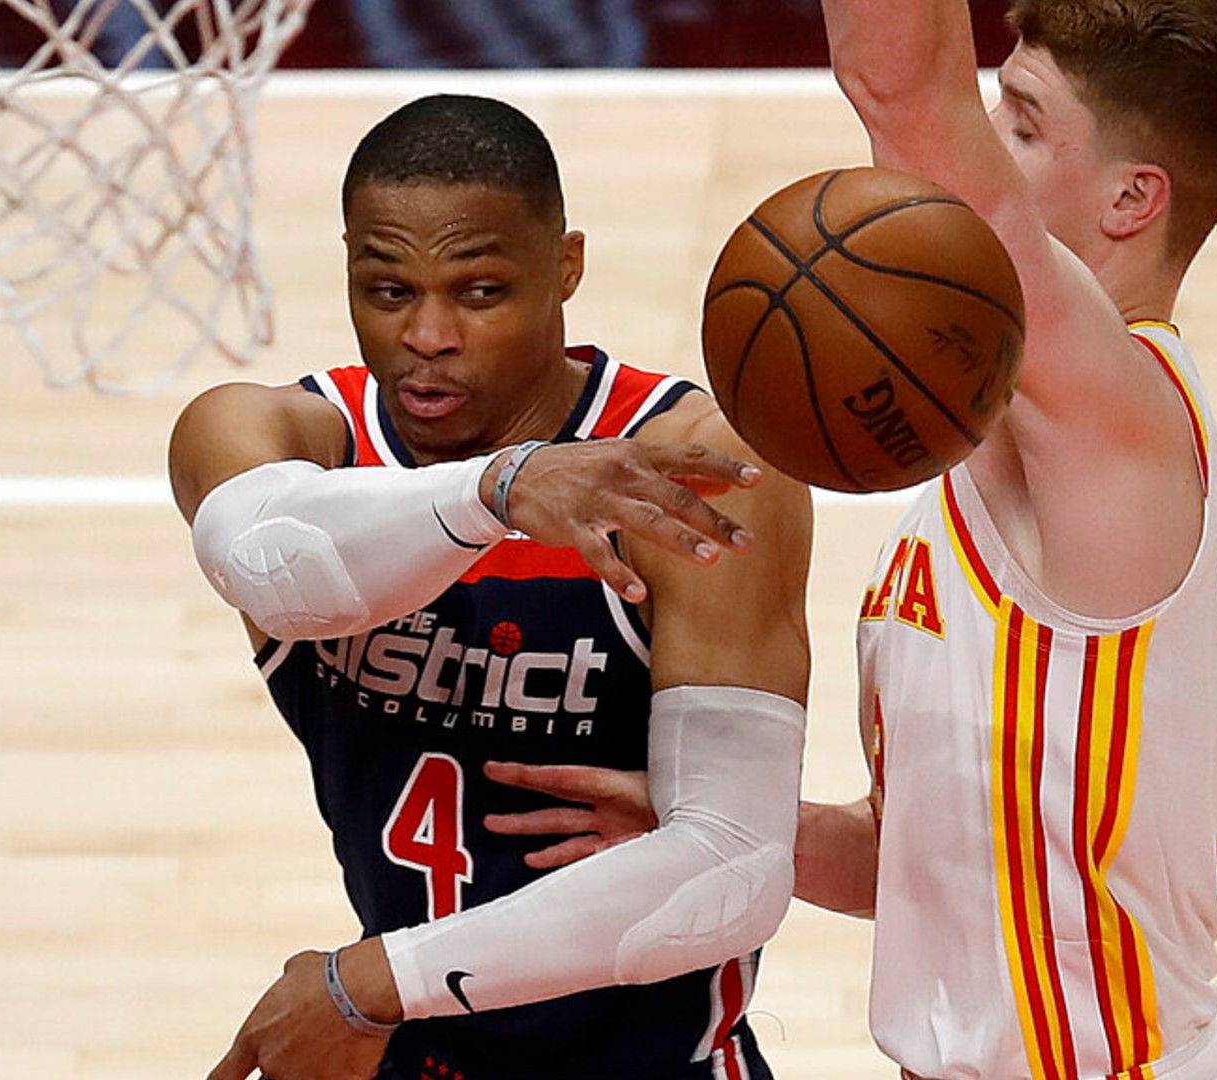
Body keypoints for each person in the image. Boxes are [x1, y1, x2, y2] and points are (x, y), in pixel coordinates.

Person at [490, 3, 1217, 1078]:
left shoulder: (1115, 428)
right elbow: (928, 857)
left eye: (1027, 126)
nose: (987, 142)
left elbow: (903, 90)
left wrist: (926, 107)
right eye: (995, 106)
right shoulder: (1007, 465)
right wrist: (734, 825)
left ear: (1133, 200)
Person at [168, 94, 813, 1080]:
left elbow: (733, 866)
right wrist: (499, 489)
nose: (429, 334)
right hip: (415, 1046)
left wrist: (371, 984)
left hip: (643, 1060)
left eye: (478, 292)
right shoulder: (279, 440)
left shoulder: (692, 471)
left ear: (566, 267)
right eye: (388, 291)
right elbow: (268, 564)